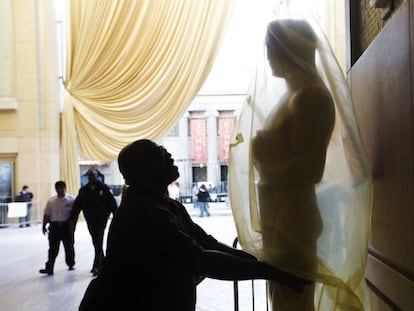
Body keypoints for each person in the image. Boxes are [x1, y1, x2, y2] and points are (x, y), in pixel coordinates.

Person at [78, 139, 310, 311]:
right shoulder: (145, 213)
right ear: (143, 170)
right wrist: (269, 271)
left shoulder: (164, 204)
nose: (168, 154)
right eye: (159, 154)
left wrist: (252, 260)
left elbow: (205, 241)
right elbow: (200, 259)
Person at [251, 19, 335, 310]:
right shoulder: (294, 97)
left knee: (293, 303)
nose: (269, 56)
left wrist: (264, 159)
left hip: (294, 220)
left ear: (291, 49)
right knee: (284, 301)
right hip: (282, 217)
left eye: (272, 48)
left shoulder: (310, 98)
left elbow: (311, 169)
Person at [71, 168, 118, 276]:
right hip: (90, 219)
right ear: (88, 177)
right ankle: (100, 264)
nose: (93, 177)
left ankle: (98, 266)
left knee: (98, 240)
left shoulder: (104, 188)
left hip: (101, 219)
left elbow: (112, 203)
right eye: (91, 175)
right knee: (96, 241)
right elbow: (77, 206)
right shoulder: (84, 190)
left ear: (97, 176)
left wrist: (116, 216)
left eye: (94, 175)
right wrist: (73, 220)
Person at [39, 181, 75, 275]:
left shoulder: (71, 200)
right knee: (53, 249)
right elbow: (47, 214)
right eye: (58, 188)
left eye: (62, 188)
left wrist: (72, 227)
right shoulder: (51, 201)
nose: (60, 190)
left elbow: (74, 215)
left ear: (65, 188)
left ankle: (70, 263)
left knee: (69, 247)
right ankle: (49, 268)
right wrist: (44, 225)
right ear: (55, 189)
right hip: (54, 227)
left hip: (66, 227)